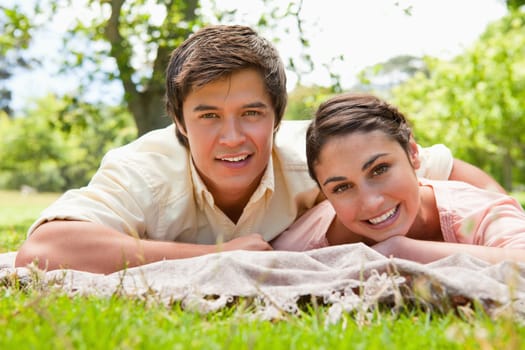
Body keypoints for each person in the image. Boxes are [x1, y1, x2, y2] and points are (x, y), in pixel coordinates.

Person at [15, 25, 503, 274]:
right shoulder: (144, 168)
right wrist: (222, 256)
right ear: (179, 121)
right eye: (208, 116)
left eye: (251, 113)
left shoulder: (318, 156)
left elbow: (456, 172)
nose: (232, 137)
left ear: (276, 115)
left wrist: (506, 225)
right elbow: (43, 249)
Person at [272, 93, 525, 264]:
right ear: (324, 196)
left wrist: (403, 250)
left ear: (414, 154)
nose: (371, 203)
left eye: (379, 169)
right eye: (342, 187)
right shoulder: (302, 245)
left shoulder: (478, 210)